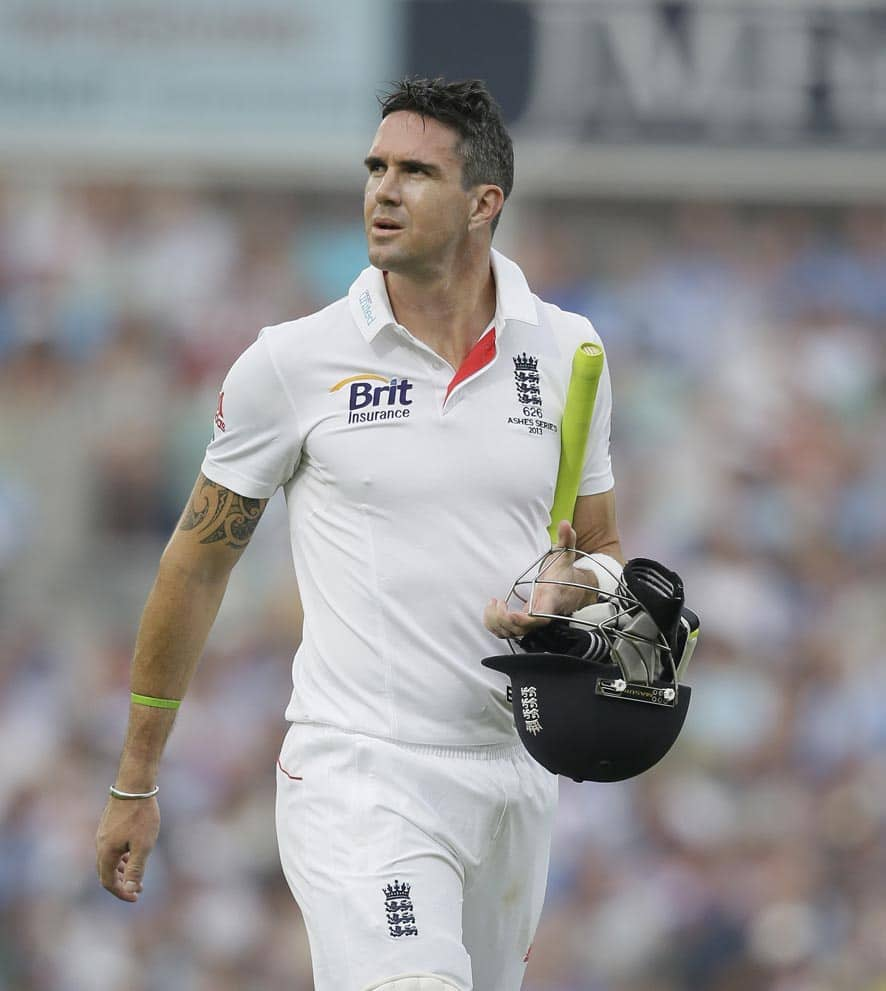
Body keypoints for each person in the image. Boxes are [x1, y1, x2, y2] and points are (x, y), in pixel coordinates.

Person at [95, 77, 623, 991]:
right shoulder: (292, 361)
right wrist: (136, 777)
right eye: (376, 166)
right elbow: (197, 564)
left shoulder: (569, 349)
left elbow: (601, 550)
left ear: (482, 204)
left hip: (515, 771)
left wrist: (568, 595)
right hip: (361, 771)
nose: (382, 189)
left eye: (415, 171)